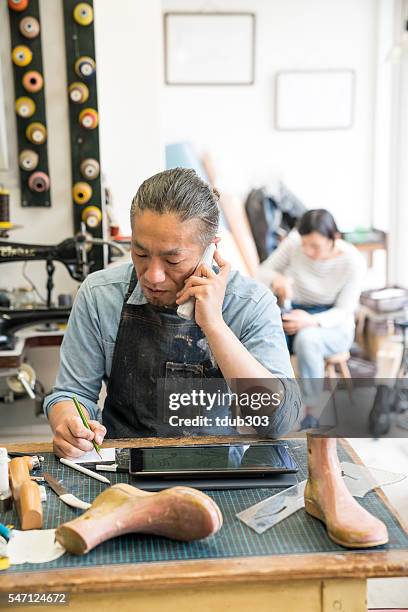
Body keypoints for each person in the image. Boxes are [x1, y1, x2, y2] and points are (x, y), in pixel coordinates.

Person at [44, 168, 300, 459]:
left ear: (209, 250)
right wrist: (68, 422)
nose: (153, 276)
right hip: (126, 469)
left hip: (219, 475)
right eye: (140, 254)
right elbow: (72, 393)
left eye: (173, 259)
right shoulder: (101, 295)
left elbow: (277, 423)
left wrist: (215, 325)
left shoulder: (250, 304)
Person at [257, 209, 365, 383]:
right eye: (304, 243)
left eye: (315, 246)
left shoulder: (353, 261)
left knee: (307, 339)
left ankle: (310, 406)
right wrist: (278, 279)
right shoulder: (294, 243)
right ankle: (274, 396)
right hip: (297, 312)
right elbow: (262, 271)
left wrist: (310, 321)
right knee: (267, 334)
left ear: (334, 238)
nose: (307, 251)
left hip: (333, 322)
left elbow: (343, 311)